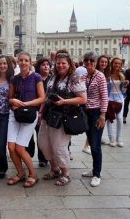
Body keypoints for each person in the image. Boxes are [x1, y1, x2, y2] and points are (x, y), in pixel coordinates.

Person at [39, 52, 86, 186]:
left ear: (69, 64)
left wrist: (64, 101)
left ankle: (65, 173)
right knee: (44, 144)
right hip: (48, 115)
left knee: (59, 146)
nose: (60, 65)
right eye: (58, 63)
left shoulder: (74, 78)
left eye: (63, 63)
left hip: (62, 117)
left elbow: (83, 99)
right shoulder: (53, 77)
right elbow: (47, 95)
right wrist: (41, 112)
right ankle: (54, 169)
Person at [7, 52, 45, 188]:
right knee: (11, 147)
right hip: (15, 114)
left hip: (30, 114)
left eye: (26, 60)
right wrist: (14, 101)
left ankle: (33, 174)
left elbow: (42, 98)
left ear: (30, 63)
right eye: (21, 60)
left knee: (20, 147)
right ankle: (20, 173)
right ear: (17, 61)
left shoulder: (36, 77)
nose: (23, 63)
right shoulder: (14, 79)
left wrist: (26, 104)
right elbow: (10, 98)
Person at [81, 51, 108, 187]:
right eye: (87, 61)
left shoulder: (100, 76)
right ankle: (94, 169)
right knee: (92, 143)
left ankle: (97, 174)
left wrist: (103, 116)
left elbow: (104, 97)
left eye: (92, 61)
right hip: (86, 113)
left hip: (97, 113)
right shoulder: (84, 76)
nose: (89, 63)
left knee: (96, 145)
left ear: (96, 62)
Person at [31, 57, 51, 167]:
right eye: (43, 64)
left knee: (42, 135)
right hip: (34, 109)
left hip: (47, 111)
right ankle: (30, 149)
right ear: (39, 67)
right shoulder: (34, 78)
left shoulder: (52, 79)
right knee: (30, 135)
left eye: (47, 64)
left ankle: (42, 158)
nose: (46, 66)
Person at [107, 57, 126, 146]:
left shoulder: (122, 74)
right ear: (112, 64)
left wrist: (125, 85)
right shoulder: (108, 74)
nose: (117, 65)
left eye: (119, 64)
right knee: (110, 118)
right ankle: (111, 139)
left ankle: (119, 139)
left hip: (119, 97)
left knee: (119, 118)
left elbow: (124, 90)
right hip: (109, 97)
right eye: (115, 63)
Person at [95, 55, 111, 145]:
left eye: (106, 62)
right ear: (98, 62)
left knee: (102, 121)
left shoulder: (107, 73)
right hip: (97, 102)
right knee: (95, 124)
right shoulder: (96, 73)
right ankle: (87, 144)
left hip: (105, 101)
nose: (104, 63)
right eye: (102, 62)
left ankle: (99, 138)